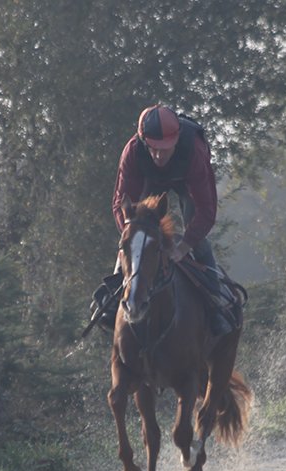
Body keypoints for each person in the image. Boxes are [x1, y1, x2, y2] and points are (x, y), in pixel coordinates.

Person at [96, 104, 233, 336]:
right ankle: (112, 301)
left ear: (177, 140)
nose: (159, 155)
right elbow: (121, 204)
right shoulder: (133, 152)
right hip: (149, 182)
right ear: (144, 142)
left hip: (187, 184)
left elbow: (206, 210)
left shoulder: (195, 151)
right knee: (132, 241)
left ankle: (215, 304)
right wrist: (132, 235)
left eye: (165, 149)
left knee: (199, 243)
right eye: (153, 149)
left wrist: (184, 246)